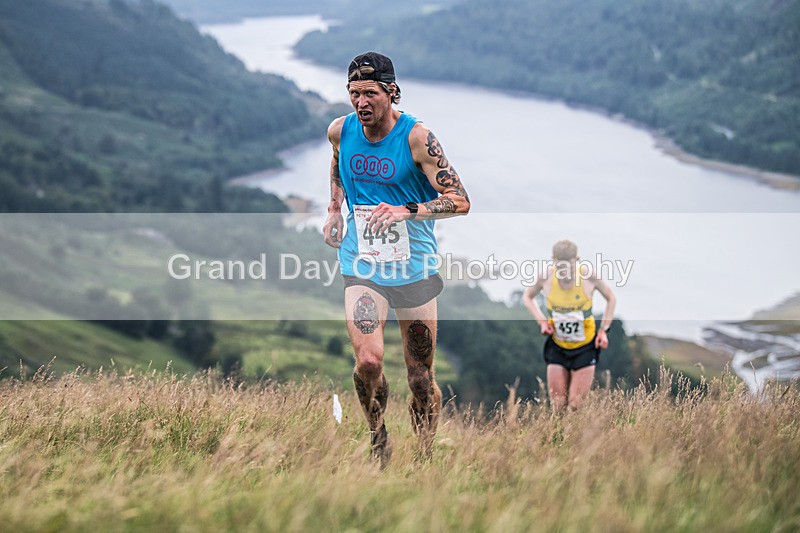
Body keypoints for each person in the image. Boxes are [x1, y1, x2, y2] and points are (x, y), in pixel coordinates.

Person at [322, 52, 470, 465]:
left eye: (370, 93)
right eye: (354, 93)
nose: (361, 103)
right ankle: (377, 437)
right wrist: (335, 208)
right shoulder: (340, 131)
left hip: (414, 270)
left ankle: (424, 457)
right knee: (368, 361)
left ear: (391, 92)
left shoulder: (417, 138)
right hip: (362, 265)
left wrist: (408, 210)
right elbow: (336, 164)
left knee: (420, 378)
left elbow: (460, 200)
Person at [522, 240, 617, 412]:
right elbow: (528, 297)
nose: (565, 274)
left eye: (570, 268)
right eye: (560, 268)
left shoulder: (590, 277)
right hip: (557, 346)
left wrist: (604, 330)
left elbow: (611, 298)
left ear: (577, 260)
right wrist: (541, 321)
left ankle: (575, 438)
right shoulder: (545, 277)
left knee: (575, 406)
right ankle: (557, 438)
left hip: (585, 347)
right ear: (553, 261)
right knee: (558, 405)